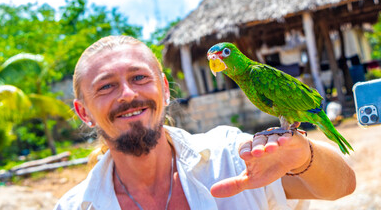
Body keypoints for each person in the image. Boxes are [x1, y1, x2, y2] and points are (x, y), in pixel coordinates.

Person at [54, 35, 356, 210]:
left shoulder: (233, 155)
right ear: (84, 112)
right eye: (106, 86)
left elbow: (343, 186)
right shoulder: (74, 206)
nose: (128, 94)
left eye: (139, 78)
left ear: (165, 89)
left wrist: (304, 157)